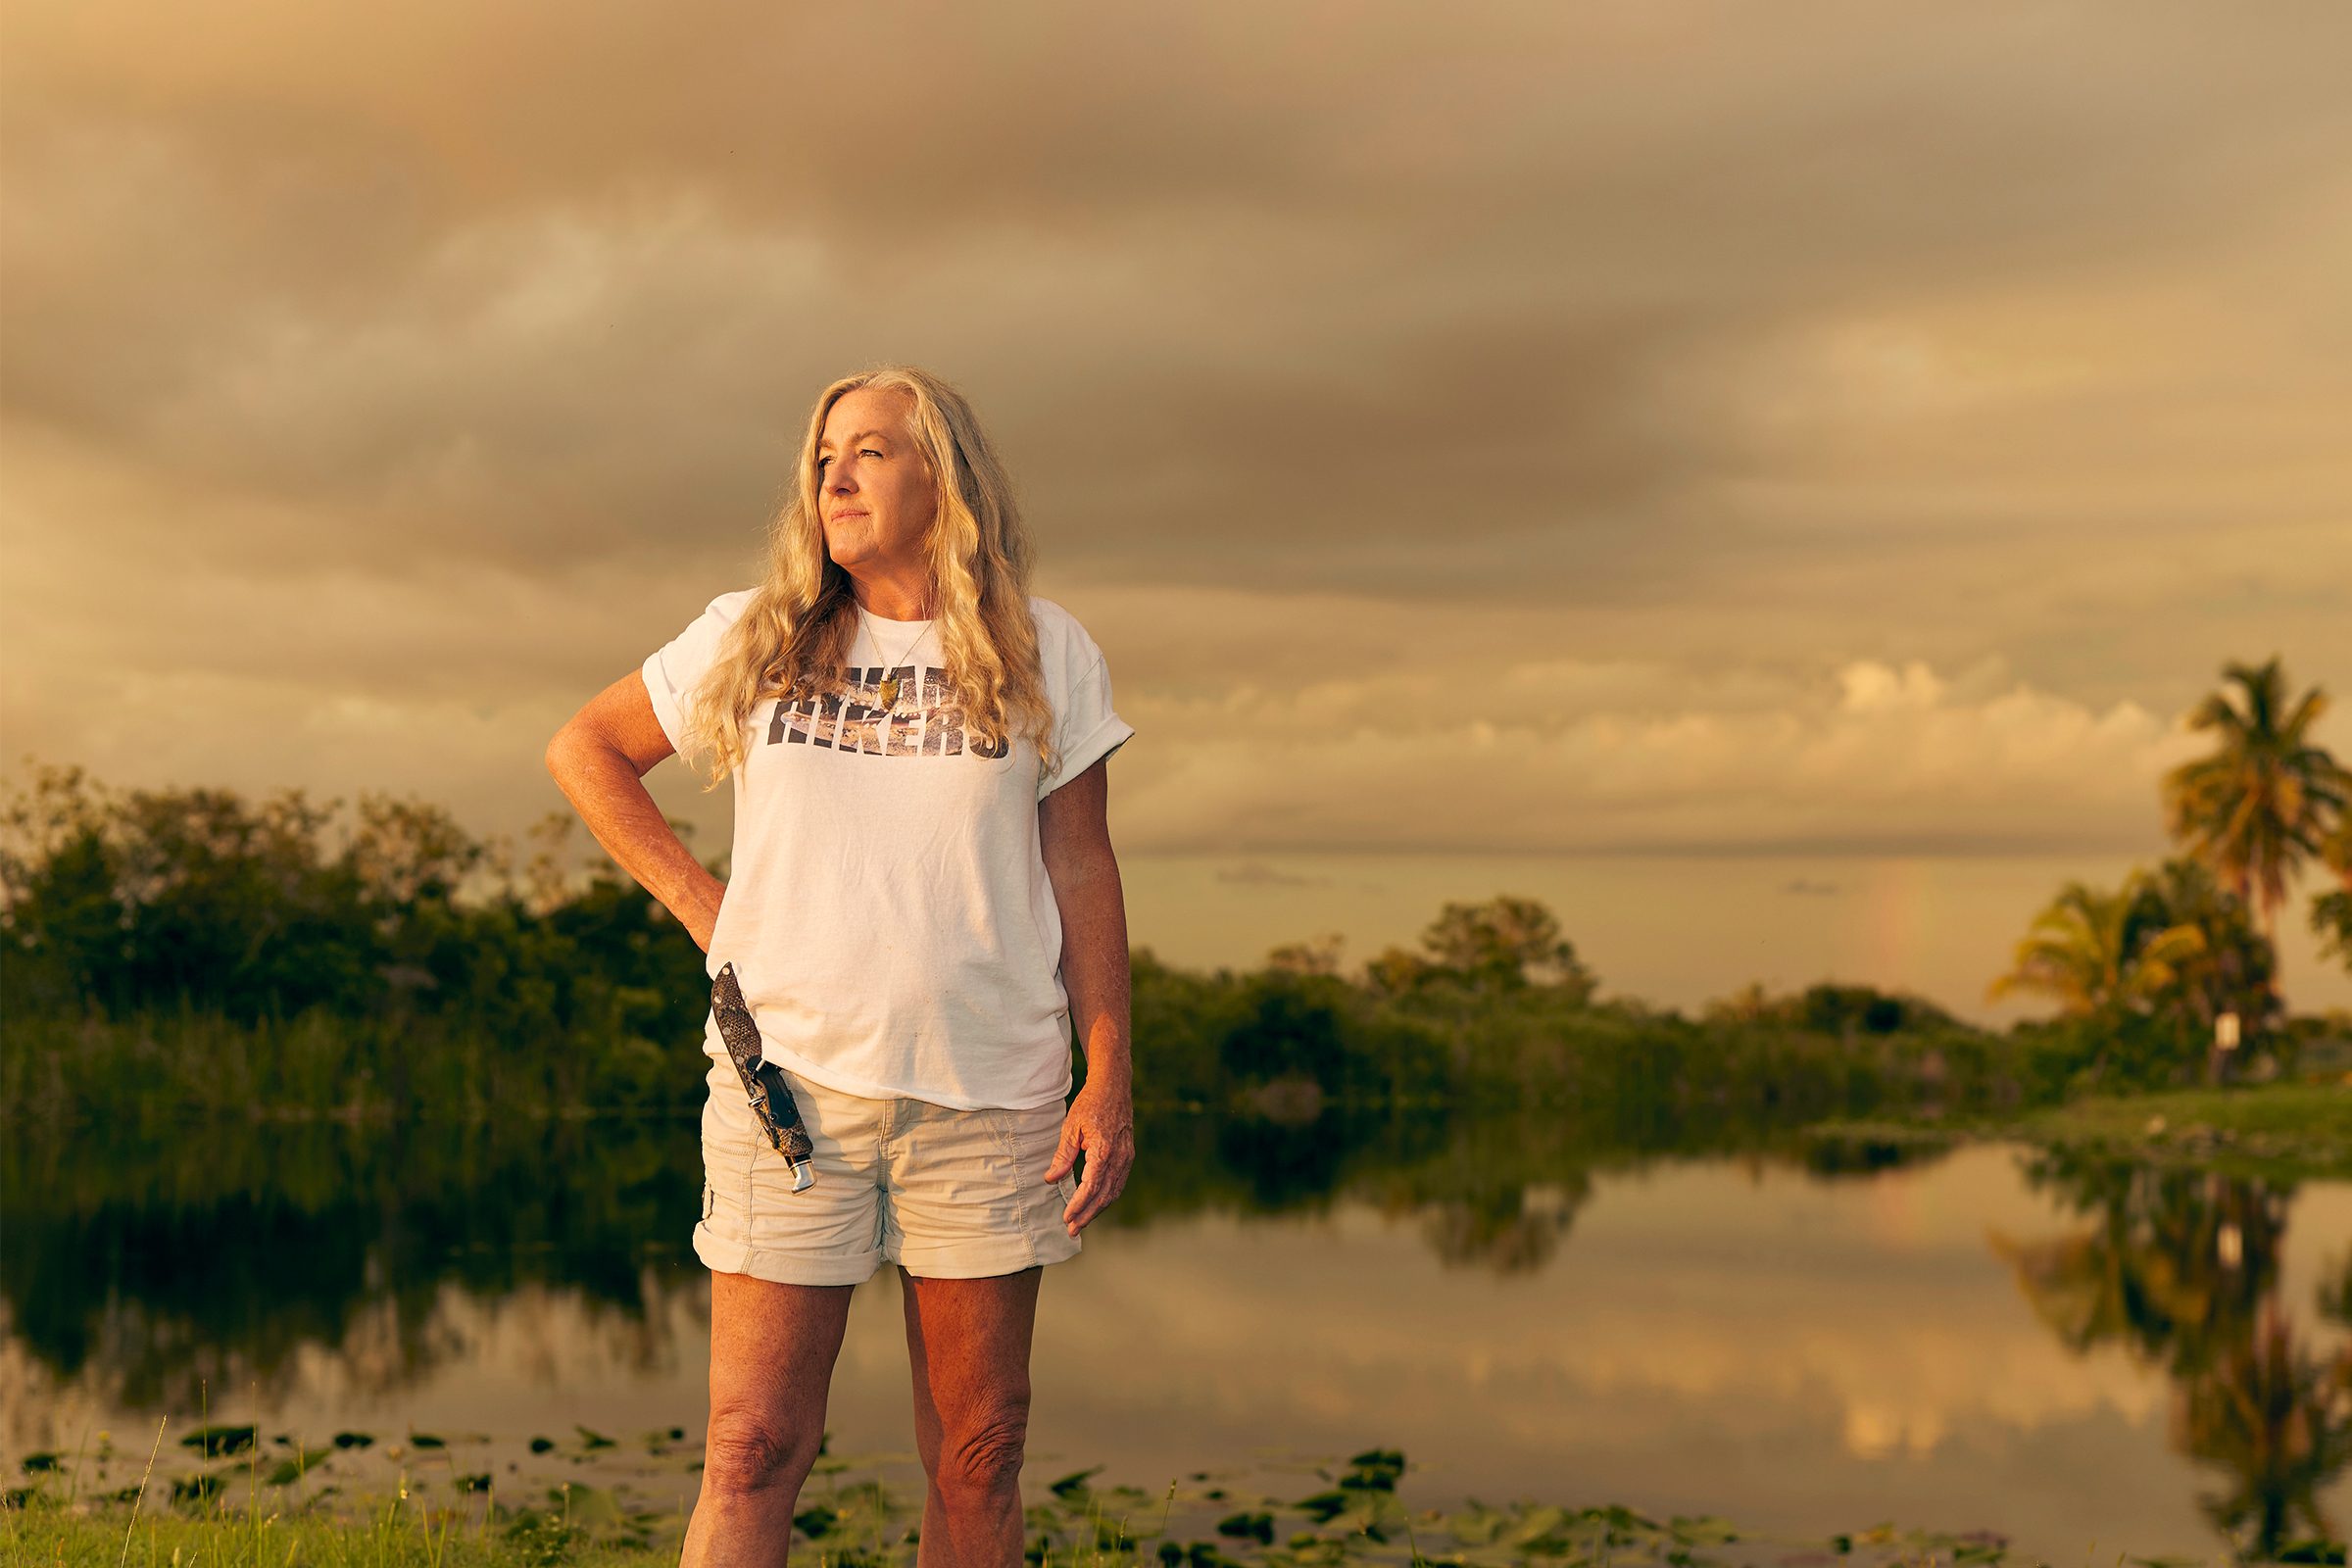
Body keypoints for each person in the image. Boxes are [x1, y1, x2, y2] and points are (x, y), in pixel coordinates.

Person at [544, 365, 1138, 1568]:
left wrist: (1108, 1070)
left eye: (870, 449)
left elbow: (1082, 868)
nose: (837, 474)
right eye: (823, 456)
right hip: (784, 1093)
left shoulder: (1045, 648)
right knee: (754, 1445)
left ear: (945, 476)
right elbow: (588, 747)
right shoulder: (752, 633)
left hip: (990, 1095)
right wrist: (697, 899)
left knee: (980, 1457)